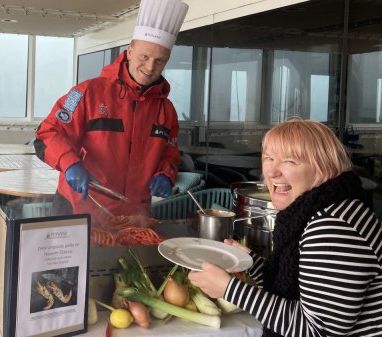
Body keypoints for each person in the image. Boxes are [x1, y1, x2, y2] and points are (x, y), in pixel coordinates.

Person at [188, 119, 382, 336]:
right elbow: (307, 284)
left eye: (289, 161)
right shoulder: (329, 206)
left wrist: (230, 290)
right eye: (269, 158)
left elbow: (319, 330)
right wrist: (253, 264)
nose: (271, 172)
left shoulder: (332, 227)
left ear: (325, 167)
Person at [34, 0, 189, 224]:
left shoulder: (167, 110)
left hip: (133, 217)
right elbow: (47, 134)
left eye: (159, 61)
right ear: (129, 51)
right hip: (80, 208)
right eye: (144, 57)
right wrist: (70, 163)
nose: (149, 67)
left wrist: (166, 173)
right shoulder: (86, 92)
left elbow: (170, 154)